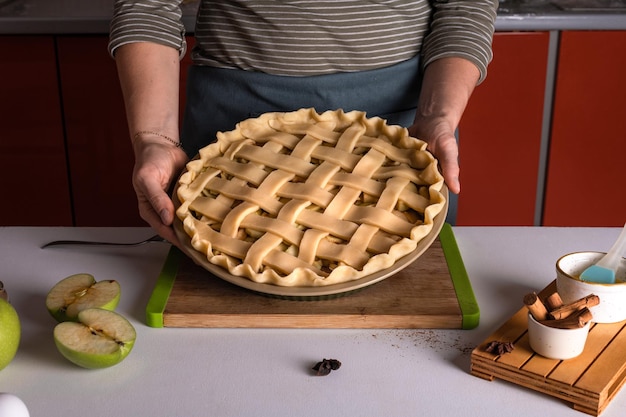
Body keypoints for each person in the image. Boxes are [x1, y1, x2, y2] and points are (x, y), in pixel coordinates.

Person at [109, 0, 498, 245]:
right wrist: (155, 139)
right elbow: (147, 5)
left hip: (398, 142)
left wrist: (436, 117)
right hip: (231, 142)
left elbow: (464, 6)